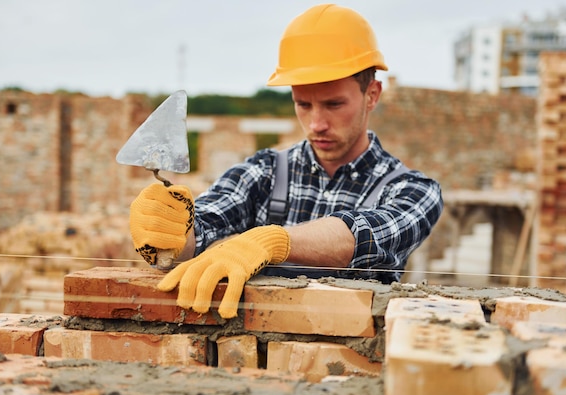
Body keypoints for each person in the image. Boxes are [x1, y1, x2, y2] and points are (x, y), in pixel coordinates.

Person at [129, 4, 443, 319]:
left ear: (372, 94)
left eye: (334, 104)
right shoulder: (265, 171)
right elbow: (205, 225)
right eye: (303, 104)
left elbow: (365, 235)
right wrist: (171, 233)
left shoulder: (413, 190)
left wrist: (275, 240)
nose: (316, 123)